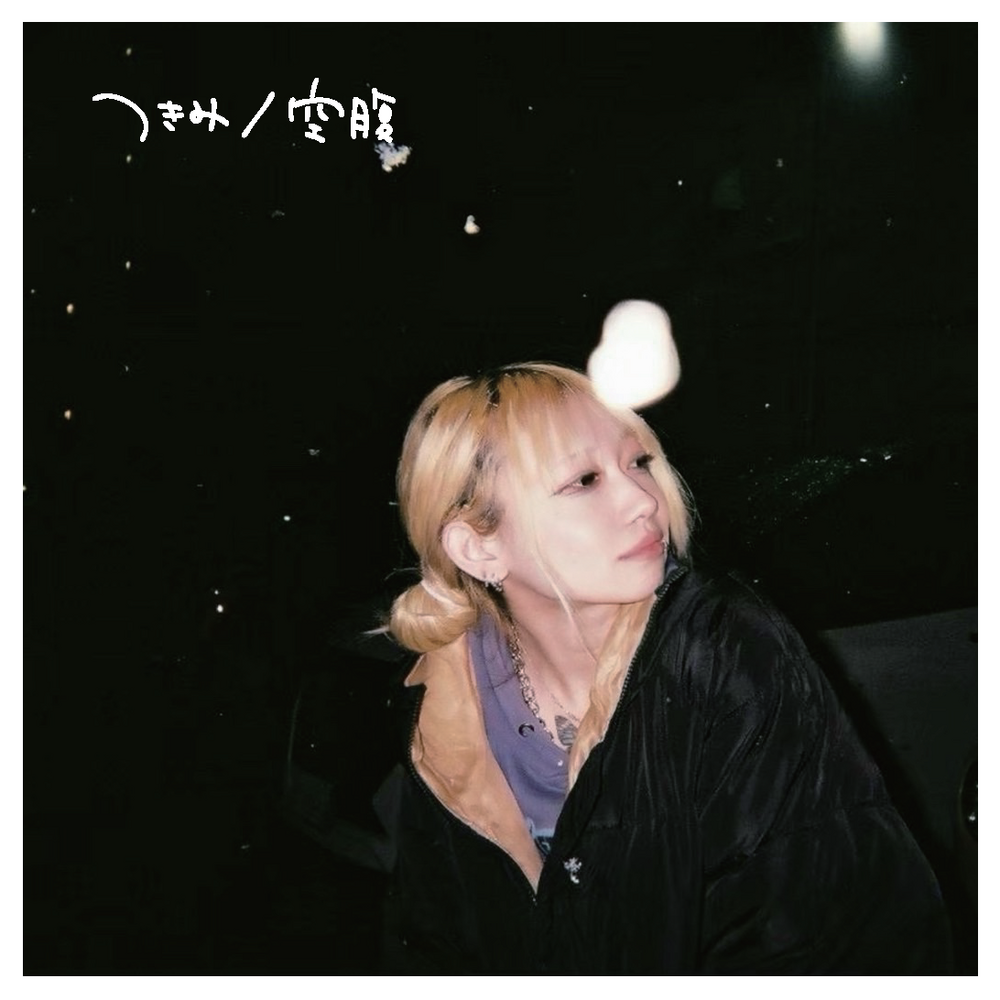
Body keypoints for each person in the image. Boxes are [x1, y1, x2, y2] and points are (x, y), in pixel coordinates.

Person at [373, 362, 951, 974]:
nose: (643, 500)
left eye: (638, 462)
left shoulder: (724, 652)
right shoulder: (446, 700)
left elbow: (813, 937)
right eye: (584, 480)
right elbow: (432, 941)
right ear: (478, 548)